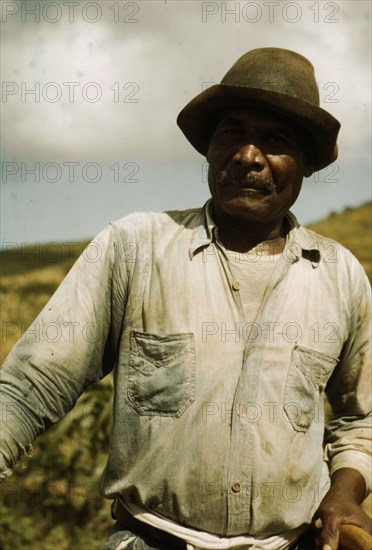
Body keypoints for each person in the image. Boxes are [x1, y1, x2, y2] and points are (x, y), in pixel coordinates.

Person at [0, 48, 371, 550]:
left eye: (275, 140)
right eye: (231, 133)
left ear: (305, 162)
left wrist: (347, 491)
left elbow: (359, 419)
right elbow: (30, 386)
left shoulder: (340, 276)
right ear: (209, 149)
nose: (247, 155)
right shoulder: (135, 247)